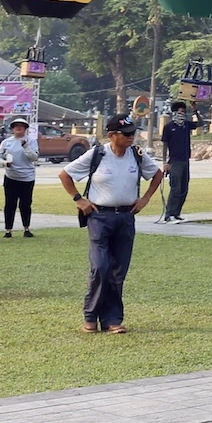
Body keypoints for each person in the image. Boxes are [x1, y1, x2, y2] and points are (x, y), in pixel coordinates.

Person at [59, 115, 166, 334]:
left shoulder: (136, 155)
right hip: (100, 217)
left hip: (126, 218)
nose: (131, 137)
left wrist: (145, 198)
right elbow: (65, 174)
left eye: (132, 133)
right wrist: (79, 200)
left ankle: (112, 319)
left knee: (118, 271)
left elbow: (156, 174)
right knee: (100, 267)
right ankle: (90, 316)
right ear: (112, 135)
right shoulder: (98, 154)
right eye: (126, 134)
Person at [159, 100, 203, 223]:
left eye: (184, 112)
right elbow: (164, 145)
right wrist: (165, 162)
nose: (182, 114)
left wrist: (195, 110)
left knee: (184, 188)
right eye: (180, 112)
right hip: (174, 161)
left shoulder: (186, 125)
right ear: (174, 113)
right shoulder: (168, 127)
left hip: (185, 160)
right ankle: (169, 215)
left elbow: (200, 123)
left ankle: (177, 213)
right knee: (175, 188)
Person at [0, 117, 40, 238]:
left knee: (25, 204)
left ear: (26, 129)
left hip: (27, 178)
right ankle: (8, 230)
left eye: (21, 126)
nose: (18, 128)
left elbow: (34, 157)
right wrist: (5, 163)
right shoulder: (6, 142)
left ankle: (26, 228)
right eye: (16, 126)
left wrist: (26, 146)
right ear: (12, 128)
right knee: (10, 204)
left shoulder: (31, 141)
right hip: (11, 176)